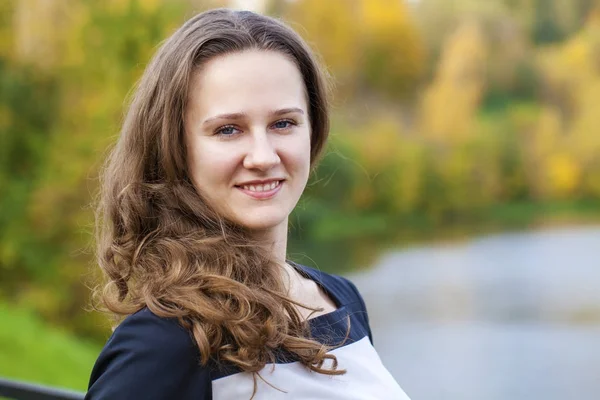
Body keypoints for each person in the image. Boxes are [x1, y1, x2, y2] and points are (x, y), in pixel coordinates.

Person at [86, 8, 410, 400]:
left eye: (283, 123)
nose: (263, 156)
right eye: (228, 130)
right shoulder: (168, 340)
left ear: (314, 128)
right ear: (176, 147)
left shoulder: (341, 299)